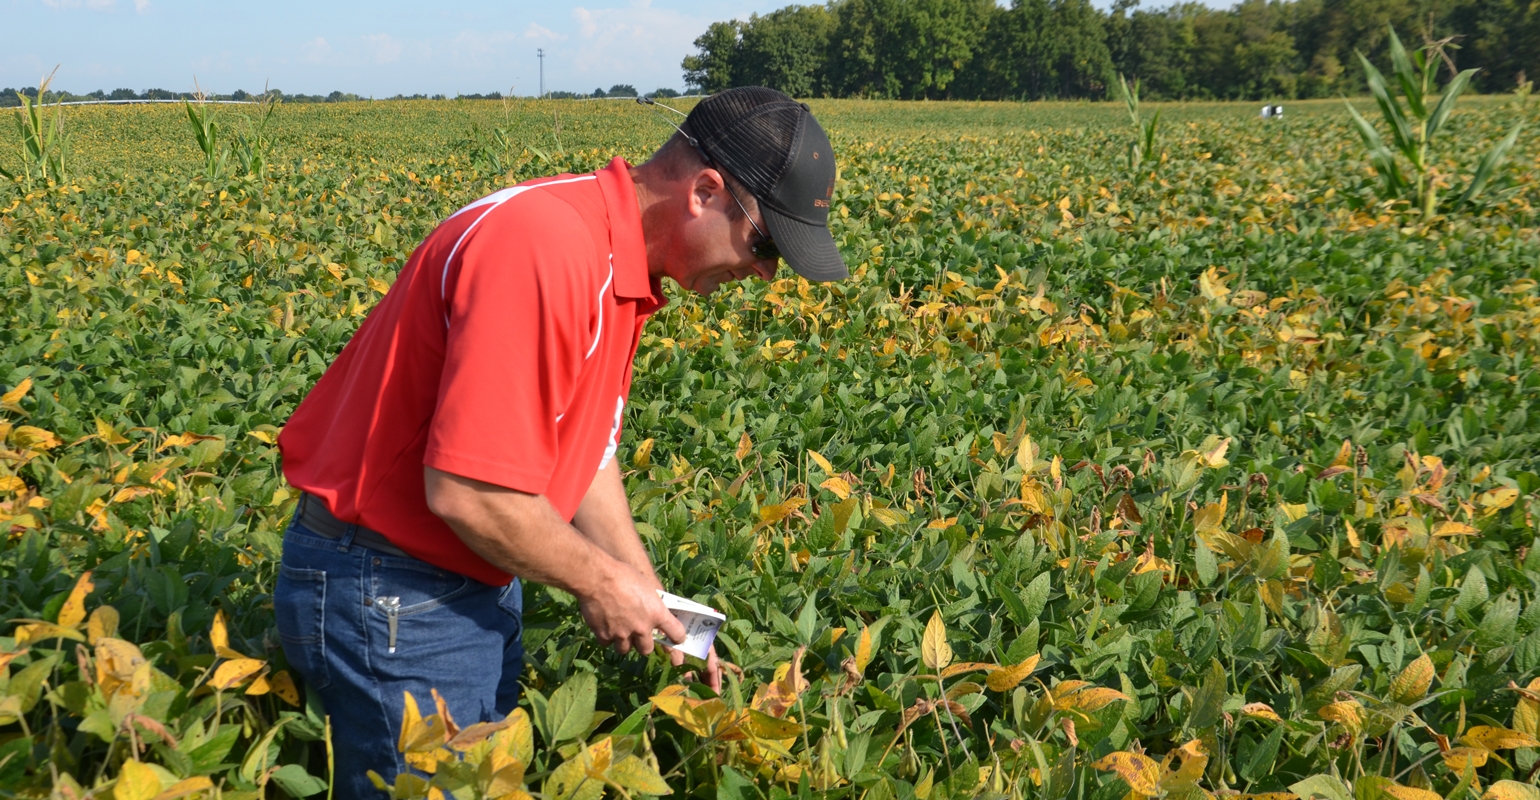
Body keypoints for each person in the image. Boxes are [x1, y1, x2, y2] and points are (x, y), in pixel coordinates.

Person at [272, 86, 848, 799]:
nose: (763, 273)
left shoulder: (614, 255)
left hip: (453, 581)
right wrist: (599, 583)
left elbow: (586, 444)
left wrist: (642, 586)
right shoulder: (546, 248)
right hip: (392, 590)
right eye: (765, 245)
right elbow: (469, 491)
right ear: (706, 191)